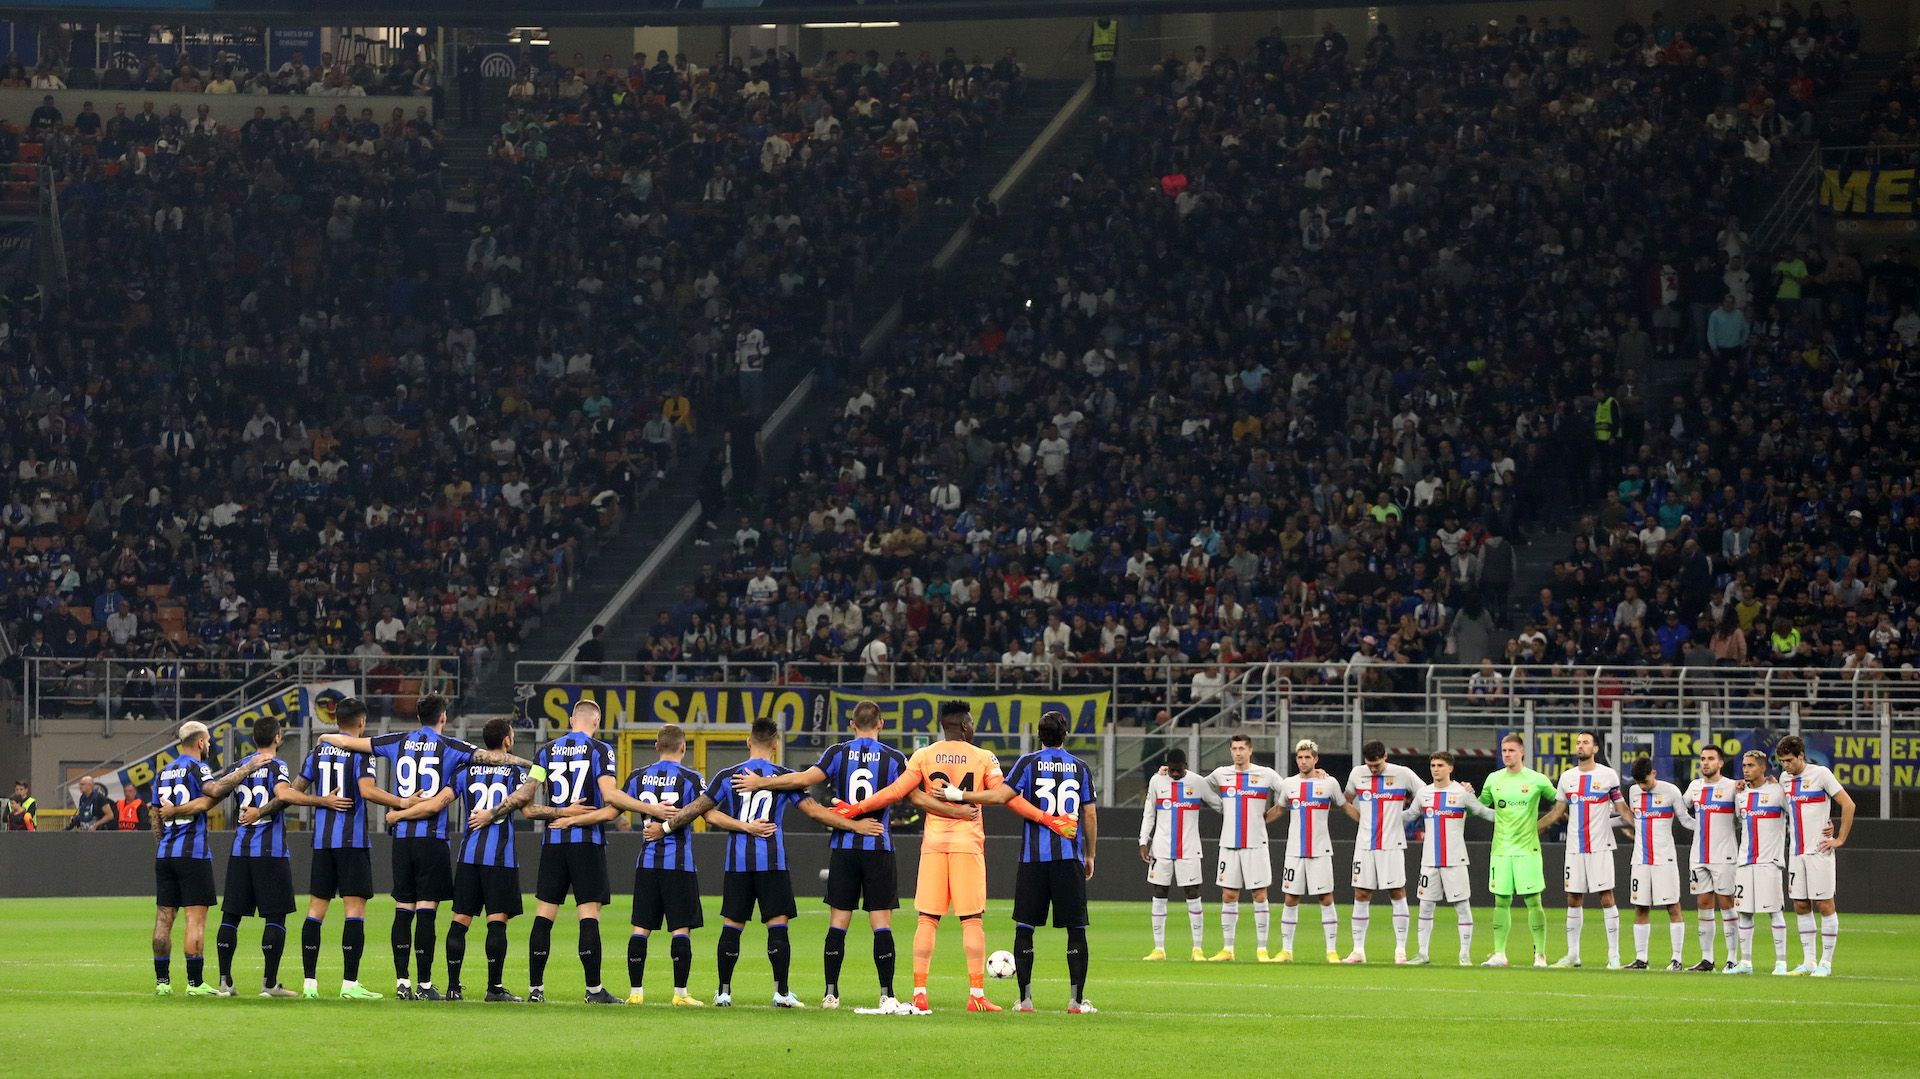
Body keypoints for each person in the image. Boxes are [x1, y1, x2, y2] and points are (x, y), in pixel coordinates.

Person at [830, 700, 1074, 1014]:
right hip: (967, 845)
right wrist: (1049, 819)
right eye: (970, 722)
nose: (973, 727)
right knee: (971, 920)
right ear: (961, 725)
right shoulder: (983, 757)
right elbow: (1006, 797)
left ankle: (919, 994)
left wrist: (855, 809)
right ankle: (976, 994)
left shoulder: (924, 755)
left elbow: (895, 791)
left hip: (933, 845)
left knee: (927, 920)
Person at [732, 699, 961, 1012]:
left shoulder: (837, 753)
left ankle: (831, 993)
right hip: (878, 847)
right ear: (881, 724)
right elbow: (916, 797)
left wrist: (762, 782)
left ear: (853, 725)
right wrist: (954, 810)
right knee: (881, 924)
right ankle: (887, 994)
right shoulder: (894, 758)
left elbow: (802, 780)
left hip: (843, 848)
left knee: (838, 923)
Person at [652, 717, 882, 1008]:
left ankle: (723, 992)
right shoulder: (783, 778)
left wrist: (664, 828)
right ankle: (782, 993)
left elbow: (700, 811)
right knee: (778, 926)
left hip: (738, 863)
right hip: (772, 862)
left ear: (749, 742)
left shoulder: (728, 775)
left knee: (732, 926)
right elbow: (814, 811)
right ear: (776, 744)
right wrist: (855, 826)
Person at [319, 693, 531, 999]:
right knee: (427, 911)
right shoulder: (452, 747)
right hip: (432, 839)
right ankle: (425, 985)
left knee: (403, 909)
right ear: (443, 717)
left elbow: (353, 743)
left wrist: (326, 736)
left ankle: (401, 983)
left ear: (419, 717)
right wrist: (532, 764)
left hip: (402, 839)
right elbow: (492, 758)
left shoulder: (399, 740)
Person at [391, 716, 571, 1002]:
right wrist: (566, 813)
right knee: (496, 923)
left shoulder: (464, 771)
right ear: (508, 740)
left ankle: (452, 987)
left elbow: (437, 803)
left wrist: (399, 813)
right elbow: (528, 810)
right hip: (500, 859)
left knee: (459, 921)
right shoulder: (515, 774)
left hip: (468, 857)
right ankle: (494, 988)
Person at [244, 697, 402, 999]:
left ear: (336, 721)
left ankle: (310, 984)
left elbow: (293, 792)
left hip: (322, 842)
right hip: (351, 841)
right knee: (354, 910)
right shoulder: (359, 750)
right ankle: (350, 984)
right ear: (361, 722)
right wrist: (403, 802)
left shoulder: (318, 751)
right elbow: (367, 791)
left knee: (316, 910)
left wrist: (262, 810)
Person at [215, 717, 347, 997]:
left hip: (240, 850)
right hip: (270, 851)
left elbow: (216, 789)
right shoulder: (277, 766)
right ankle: (269, 984)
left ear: (253, 740)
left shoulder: (241, 766)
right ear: (277, 738)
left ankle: (225, 982)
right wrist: (323, 801)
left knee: (230, 916)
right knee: (275, 916)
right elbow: (284, 795)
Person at [618, 724, 742, 1007]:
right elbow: (709, 816)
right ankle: (680, 994)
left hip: (646, 862)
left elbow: (616, 802)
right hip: (679, 865)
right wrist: (743, 826)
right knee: (680, 930)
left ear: (657, 746)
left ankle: (636, 992)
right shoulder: (692, 778)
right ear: (684, 747)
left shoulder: (638, 777)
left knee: (640, 928)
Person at [150, 721, 275, 996]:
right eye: (207, 741)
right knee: (195, 921)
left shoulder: (162, 772)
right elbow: (215, 791)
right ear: (200, 742)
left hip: (165, 854)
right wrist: (247, 769)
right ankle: (195, 984)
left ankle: (162, 983)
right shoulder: (198, 767)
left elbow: (155, 815)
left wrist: (164, 843)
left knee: (163, 919)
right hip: (192, 853)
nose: (209, 745)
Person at [1004, 709, 1098, 1013]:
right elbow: (1090, 813)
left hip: (1033, 859)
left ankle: (1026, 999)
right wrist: (1091, 854)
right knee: (1076, 928)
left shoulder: (1027, 763)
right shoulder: (1080, 768)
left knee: (1025, 926)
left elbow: (1007, 796)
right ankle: (1075, 1001)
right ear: (1065, 734)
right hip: (1068, 857)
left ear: (1038, 736)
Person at [1539, 731, 1628, 969]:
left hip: (1600, 847)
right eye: (1578, 742)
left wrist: (1640, 826)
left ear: (1595, 749)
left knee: (1606, 897)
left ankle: (1614, 955)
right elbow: (1558, 812)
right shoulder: (1567, 777)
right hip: (1575, 848)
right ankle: (1573, 955)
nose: (1580, 746)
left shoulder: (1608, 775)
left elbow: (1621, 808)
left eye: (1585, 742)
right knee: (1573, 898)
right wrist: (1534, 828)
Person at [1479, 733, 1564, 968]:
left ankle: (1540, 955)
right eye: (1504, 750)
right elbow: (1479, 806)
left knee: (1533, 901)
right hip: (1501, 850)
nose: (1507, 754)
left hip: (1528, 850)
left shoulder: (1536, 779)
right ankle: (1499, 954)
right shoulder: (1493, 779)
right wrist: (1466, 795)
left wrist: (1541, 825)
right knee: (1501, 901)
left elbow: (1560, 802)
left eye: (1511, 750)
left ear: (1522, 752)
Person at [1200, 733, 1287, 962]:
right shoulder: (1221, 774)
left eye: (1241, 749)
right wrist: (1166, 772)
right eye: (1234, 749)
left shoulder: (1265, 774)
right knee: (1228, 895)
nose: (1238, 753)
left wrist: (1271, 814)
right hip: (1228, 844)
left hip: (1256, 844)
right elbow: (1196, 785)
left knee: (1259, 895)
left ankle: (1262, 949)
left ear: (1250, 750)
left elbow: (1289, 791)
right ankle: (1228, 949)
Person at [1401, 752, 1493, 965]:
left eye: (1440, 765)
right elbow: (1408, 816)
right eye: (1433, 765)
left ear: (1450, 768)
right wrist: (1382, 815)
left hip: (1455, 860)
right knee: (1425, 906)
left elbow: (1483, 812)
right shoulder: (1424, 793)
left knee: (1462, 906)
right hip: (1430, 861)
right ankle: (1422, 953)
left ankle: (1464, 955)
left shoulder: (1461, 793)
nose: (1435, 769)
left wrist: (1515, 819)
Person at [1340, 740, 1427, 963]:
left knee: (1396, 893)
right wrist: (1360, 819)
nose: (1373, 769)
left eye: (1377, 765)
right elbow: (1345, 800)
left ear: (1385, 757)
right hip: (1364, 845)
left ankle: (1400, 950)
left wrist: (1409, 814)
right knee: (1361, 894)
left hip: (1392, 844)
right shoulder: (1357, 774)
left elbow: (1426, 793)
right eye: (1370, 765)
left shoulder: (1403, 774)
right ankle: (1358, 950)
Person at [1776, 735, 1852, 976]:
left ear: (1801, 756)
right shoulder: (1784, 779)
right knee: (1800, 904)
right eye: (1782, 761)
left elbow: (1848, 804)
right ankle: (1808, 961)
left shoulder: (1821, 774)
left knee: (1824, 904)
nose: (1786, 765)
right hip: (1796, 852)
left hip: (1819, 851)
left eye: (1789, 760)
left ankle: (1826, 963)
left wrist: (1839, 837)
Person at [1138, 746, 1218, 960]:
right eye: (1171, 770)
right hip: (1161, 849)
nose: (1173, 774)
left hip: (1189, 849)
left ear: (1185, 766)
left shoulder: (1197, 782)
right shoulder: (1157, 781)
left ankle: (1197, 949)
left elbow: (1218, 804)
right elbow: (1149, 814)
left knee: (1193, 893)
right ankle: (1159, 949)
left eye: (1177, 770)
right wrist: (1143, 841)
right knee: (1159, 893)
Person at [1621, 756, 1694, 970]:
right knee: (1640, 907)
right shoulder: (1634, 792)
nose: (1642, 787)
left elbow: (1685, 820)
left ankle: (1677, 959)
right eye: (1638, 783)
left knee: (1673, 906)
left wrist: (1708, 829)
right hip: (1641, 859)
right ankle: (1641, 959)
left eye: (1645, 782)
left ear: (1654, 773)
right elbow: (1632, 819)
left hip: (1665, 859)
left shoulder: (1671, 791)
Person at [1729, 750, 1789, 975]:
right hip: (1745, 861)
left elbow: (1796, 814)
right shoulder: (1741, 795)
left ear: (1763, 768)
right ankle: (1746, 962)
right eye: (1744, 765)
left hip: (1769, 863)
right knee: (1744, 912)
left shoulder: (1777, 792)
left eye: (1751, 765)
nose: (1745, 769)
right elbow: (1738, 822)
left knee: (1774, 911)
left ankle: (1781, 962)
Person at [1681, 744, 1740, 971]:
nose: (1705, 762)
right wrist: (1695, 826)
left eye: (1711, 759)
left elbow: (1743, 816)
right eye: (1703, 759)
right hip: (1699, 855)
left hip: (1724, 855)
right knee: (1703, 904)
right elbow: (1680, 808)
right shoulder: (1694, 787)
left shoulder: (1733, 787)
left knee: (1726, 903)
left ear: (1720, 763)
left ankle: (1732, 958)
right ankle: (1707, 959)